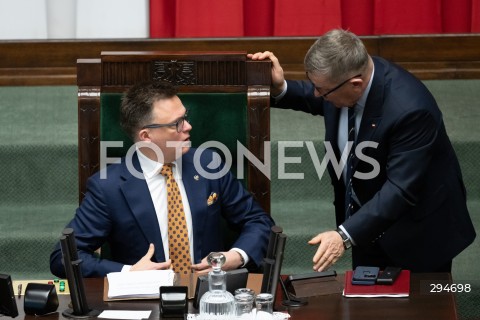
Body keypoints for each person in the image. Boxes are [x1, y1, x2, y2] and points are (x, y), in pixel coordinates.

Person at [248, 29, 476, 273]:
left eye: (321, 90)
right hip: (366, 225)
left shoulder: (411, 111)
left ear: (355, 84)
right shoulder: (350, 81)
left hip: (418, 234)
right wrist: (280, 86)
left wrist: (344, 236)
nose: (317, 95)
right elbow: (317, 96)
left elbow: (400, 190)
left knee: (421, 309)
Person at [50, 81, 274, 278]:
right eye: (177, 124)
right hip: (147, 302)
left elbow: (259, 222)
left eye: (185, 117)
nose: (188, 127)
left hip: (209, 297)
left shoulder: (207, 164)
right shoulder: (109, 187)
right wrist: (128, 273)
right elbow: (63, 257)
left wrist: (236, 256)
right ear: (146, 136)